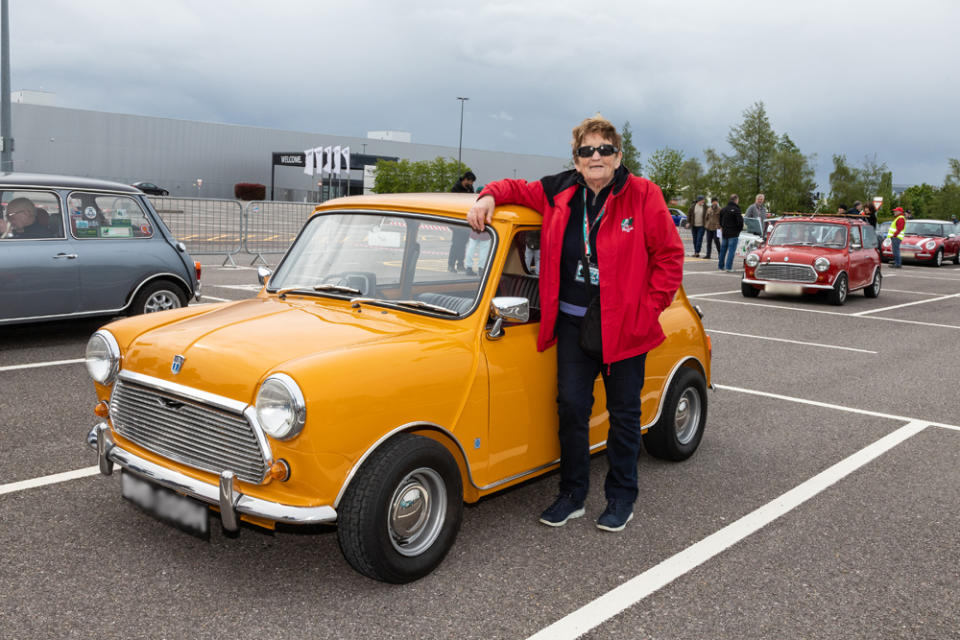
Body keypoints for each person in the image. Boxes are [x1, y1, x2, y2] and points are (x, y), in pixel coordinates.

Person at [466, 116, 683, 532]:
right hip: (571, 322)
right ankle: (572, 494)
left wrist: (648, 308)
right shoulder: (560, 189)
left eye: (604, 149)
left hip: (624, 326)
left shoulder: (643, 195)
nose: (595, 156)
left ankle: (621, 497)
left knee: (623, 414)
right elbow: (514, 188)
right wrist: (487, 196)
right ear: (577, 159)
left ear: (619, 156)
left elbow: (670, 257)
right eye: (587, 150)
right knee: (571, 409)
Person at [448, 172, 477, 272]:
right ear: (466, 179)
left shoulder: (470, 189)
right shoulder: (455, 189)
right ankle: (451, 265)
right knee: (456, 243)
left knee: (464, 243)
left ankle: (460, 264)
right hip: (456, 220)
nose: (472, 184)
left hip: (466, 220)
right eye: (471, 181)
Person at [717, 194, 743, 271]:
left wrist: (723, 227)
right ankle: (728, 267)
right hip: (734, 233)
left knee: (723, 250)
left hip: (725, 232)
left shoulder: (723, 209)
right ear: (736, 200)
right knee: (731, 251)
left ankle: (720, 266)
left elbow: (720, 220)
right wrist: (739, 230)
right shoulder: (737, 209)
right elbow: (740, 222)